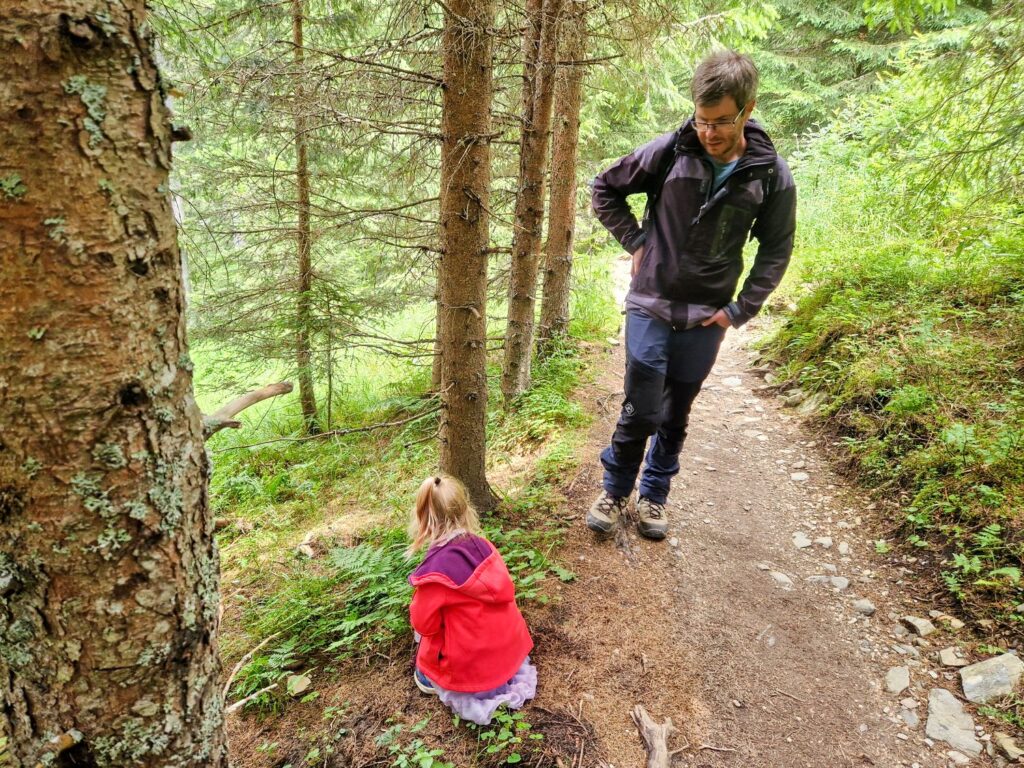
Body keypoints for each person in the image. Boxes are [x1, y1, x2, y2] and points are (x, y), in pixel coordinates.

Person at [587, 49, 797, 541]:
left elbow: (777, 248)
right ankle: (616, 489)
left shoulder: (769, 174)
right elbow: (605, 188)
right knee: (641, 403)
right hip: (651, 302)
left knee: (677, 409)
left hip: (707, 315)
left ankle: (655, 495)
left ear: (748, 109)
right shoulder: (670, 151)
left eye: (721, 122)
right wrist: (637, 242)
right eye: (702, 120)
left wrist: (739, 310)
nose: (709, 133)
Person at [407, 475, 536, 725]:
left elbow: (424, 625)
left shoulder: (435, 574)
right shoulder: (484, 547)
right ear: (466, 510)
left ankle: (432, 678)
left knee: (427, 645)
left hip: (473, 668)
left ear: (423, 519)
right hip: (510, 649)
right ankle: (502, 668)